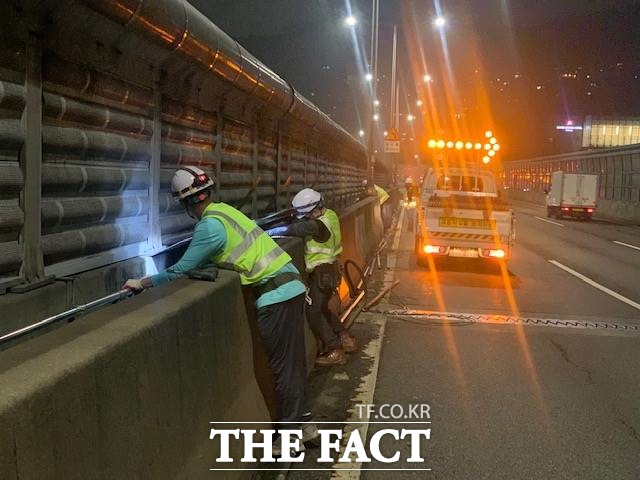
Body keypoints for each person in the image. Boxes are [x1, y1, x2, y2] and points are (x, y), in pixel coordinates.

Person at [122, 166, 317, 453]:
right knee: (293, 363)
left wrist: (143, 282)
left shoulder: (209, 226)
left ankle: (290, 435)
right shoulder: (226, 212)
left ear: (187, 202)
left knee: (283, 368)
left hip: (275, 295)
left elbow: (181, 269)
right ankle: (304, 424)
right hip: (291, 286)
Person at [266, 188, 356, 367]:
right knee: (322, 308)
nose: (305, 219)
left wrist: (271, 231)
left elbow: (299, 228)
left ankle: (335, 349)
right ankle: (345, 337)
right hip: (329, 270)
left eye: (306, 215)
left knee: (313, 312)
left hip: (321, 273)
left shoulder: (318, 225)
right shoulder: (330, 216)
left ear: (314, 210)